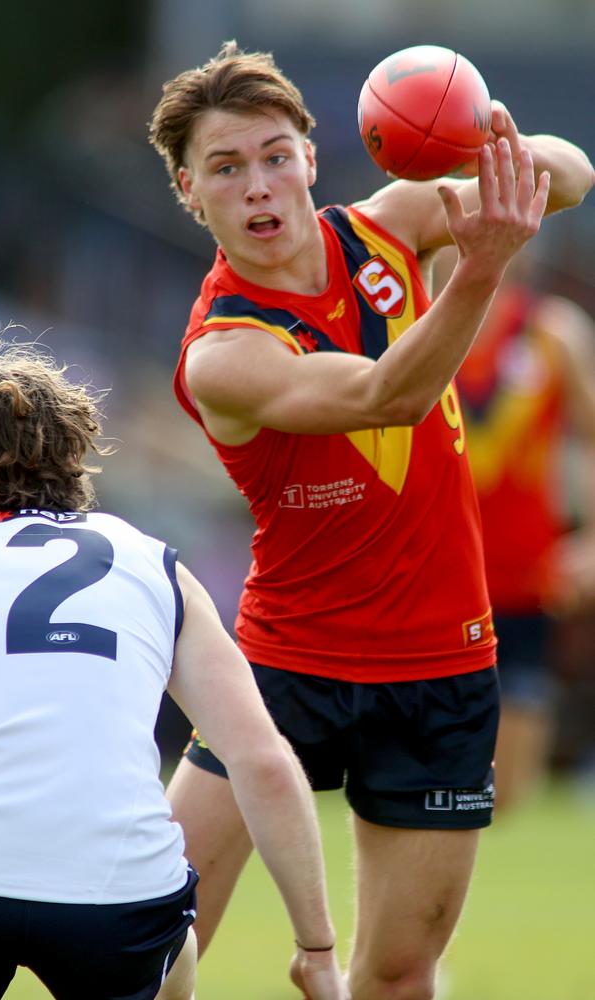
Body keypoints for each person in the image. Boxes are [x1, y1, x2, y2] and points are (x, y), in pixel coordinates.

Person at [148, 41, 594, 999]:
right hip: (283, 668)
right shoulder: (223, 352)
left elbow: (575, 175)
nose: (259, 186)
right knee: (152, 949)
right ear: (190, 192)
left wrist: (488, 144)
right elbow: (390, 394)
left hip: (442, 662)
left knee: (397, 976)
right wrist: (482, 265)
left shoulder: (393, 224)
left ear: (314, 155)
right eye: (226, 169)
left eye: (274, 155)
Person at [0, 336, 347, 1000]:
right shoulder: (150, 562)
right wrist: (317, 949)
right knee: (176, 956)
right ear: (75, 453)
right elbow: (264, 762)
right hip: (116, 896)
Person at [448, 251, 595, 810]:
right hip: (439, 570)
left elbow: (592, 433)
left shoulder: (552, 332)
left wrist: (590, 540)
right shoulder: (421, 324)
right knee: (444, 777)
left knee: (508, 794)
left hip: (526, 572)